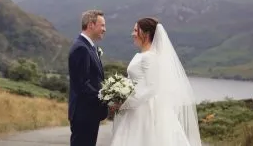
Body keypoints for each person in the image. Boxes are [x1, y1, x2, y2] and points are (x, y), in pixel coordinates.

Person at [110, 17, 202, 146]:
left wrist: (125, 104)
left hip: (145, 111)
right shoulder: (143, 55)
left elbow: (151, 88)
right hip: (136, 108)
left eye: (136, 30)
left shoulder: (150, 57)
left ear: (146, 33)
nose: (133, 34)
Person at [68, 10, 108, 146]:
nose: (104, 29)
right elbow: (82, 85)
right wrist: (105, 97)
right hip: (83, 113)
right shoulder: (81, 48)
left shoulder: (89, 47)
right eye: (102, 25)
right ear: (91, 25)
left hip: (89, 113)